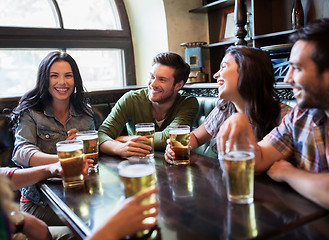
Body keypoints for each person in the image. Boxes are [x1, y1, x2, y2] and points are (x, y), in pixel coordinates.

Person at [216, 18, 329, 217]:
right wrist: (240, 122)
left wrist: (287, 172)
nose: (287, 78)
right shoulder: (302, 115)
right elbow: (258, 160)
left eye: (298, 68)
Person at [9, 51, 95, 226]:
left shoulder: (85, 112)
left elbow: (92, 156)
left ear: (75, 80)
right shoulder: (31, 111)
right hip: (38, 203)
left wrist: (83, 143)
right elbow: (22, 152)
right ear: (44, 80)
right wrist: (64, 161)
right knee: (93, 223)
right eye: (54, 76)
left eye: (68, 76)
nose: (62, 82)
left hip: (79, 195)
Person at [165, 45, 291, 162]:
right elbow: (197, 137)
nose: (215, 75)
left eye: (223, 67)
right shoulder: (225, 107)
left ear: (247, 71)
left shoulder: (284, 116)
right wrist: (175, 146)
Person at [0, 171, 159, 240]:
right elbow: (22, 153)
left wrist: (19, 220)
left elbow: (4, 174)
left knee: (76, 232)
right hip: (34, 205)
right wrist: (110, 231)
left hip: (18, 226)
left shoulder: (84, 113)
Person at [98, 51, 199, 158]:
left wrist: (124, 139)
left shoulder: (188, 103)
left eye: (162, 80)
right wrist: (118, 148)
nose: (153, 84)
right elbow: (101, 135)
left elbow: (169, 138)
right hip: (136, 166)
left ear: (178, 85)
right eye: (152, 76)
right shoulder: (131, 99)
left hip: (175, 166)